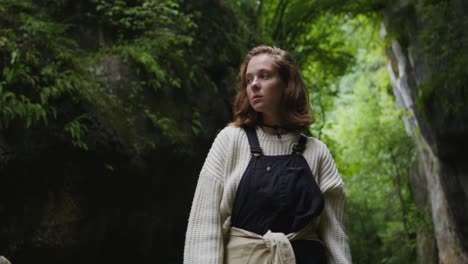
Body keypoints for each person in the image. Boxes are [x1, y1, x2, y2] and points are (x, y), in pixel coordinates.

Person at [184, 45, 351, 264]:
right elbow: (206, 225)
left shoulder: (316, 151)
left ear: (287, 84)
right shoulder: (230, 140)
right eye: (249, 79)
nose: (254, 85)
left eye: (264, 76)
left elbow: (335, 235)